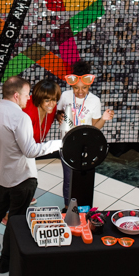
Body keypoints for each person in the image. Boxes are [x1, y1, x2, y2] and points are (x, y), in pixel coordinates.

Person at [0, 76, 61, 273]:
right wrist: (59, 143)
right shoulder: (20, 117)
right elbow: (31, 151)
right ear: (16, 96)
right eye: (26, 94)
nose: (28, 98)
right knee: (15, 219)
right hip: (23, 179)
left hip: (3, 176)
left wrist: (4, 158)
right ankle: (5, 262)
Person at [57, 61, 114, 207]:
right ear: (71, 85)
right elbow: (58, 113)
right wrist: (59, 116)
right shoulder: (65, 96)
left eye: (84, 87)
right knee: (68, 179)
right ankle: (67, 208)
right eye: (76, 88)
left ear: (89, 85)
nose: (80, 91)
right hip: (67, 143)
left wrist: (103, 119)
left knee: (84, 177)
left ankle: (82, 209)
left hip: (86, 146)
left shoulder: (95, 100)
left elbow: (95, 128)